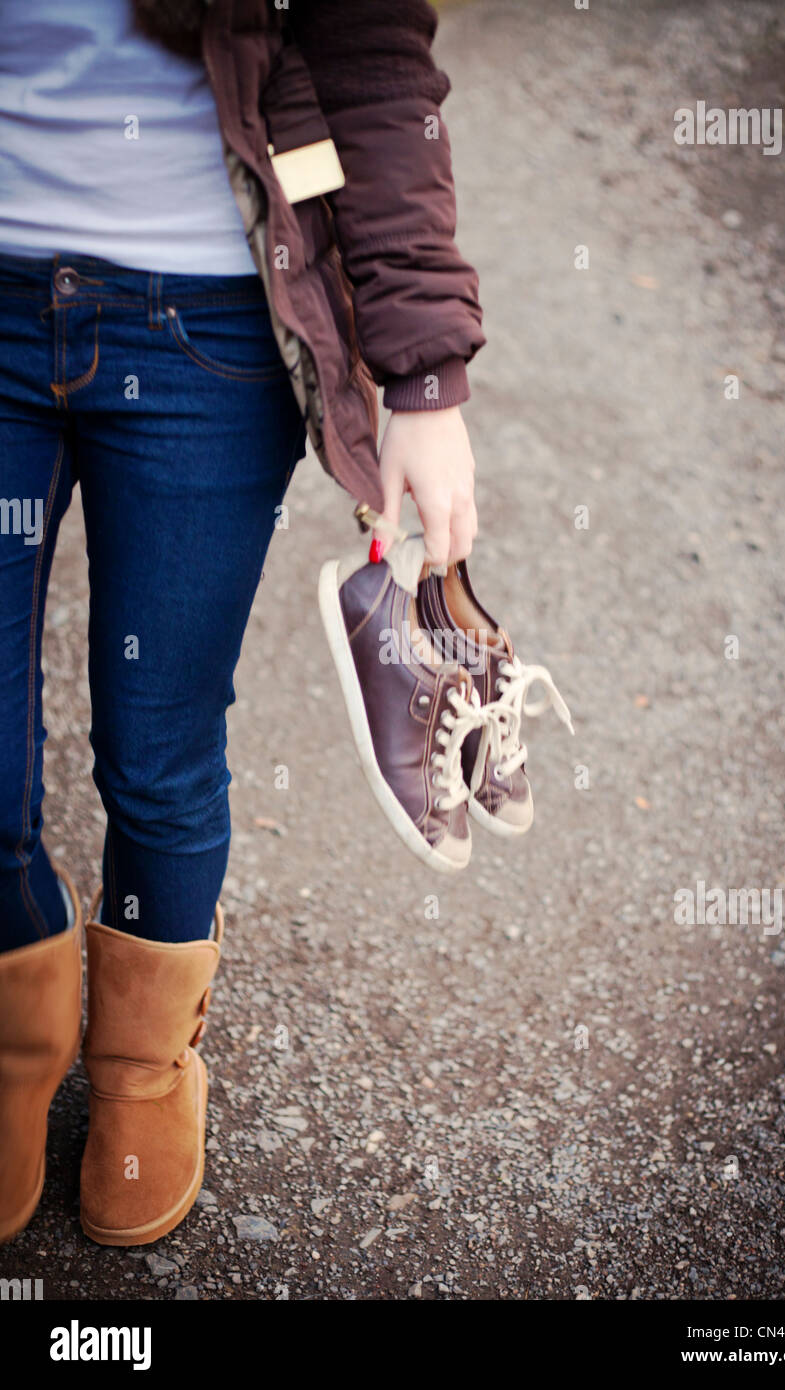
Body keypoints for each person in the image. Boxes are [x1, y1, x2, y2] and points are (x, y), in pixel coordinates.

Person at [0, 0, 484, 1247]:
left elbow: (371, 53)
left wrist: (424, 376)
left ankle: (142, 1070)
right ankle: (14, 1046)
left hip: (203, 321)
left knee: (157, 748)